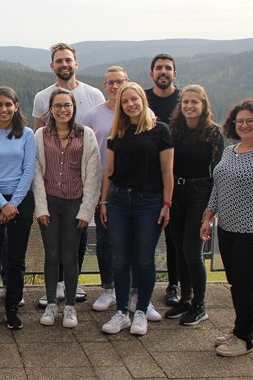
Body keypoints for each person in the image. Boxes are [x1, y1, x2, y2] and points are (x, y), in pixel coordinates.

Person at [201, 99, 253, 357]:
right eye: (240, 121)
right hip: (227, 228)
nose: (244, 125)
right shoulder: (230, 151)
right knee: (235, 283)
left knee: (244, 286)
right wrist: (208, 217)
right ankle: (237, 331)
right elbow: (218, 186)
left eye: (250, 121)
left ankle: (244, 340)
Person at [82, 67, 161, 321]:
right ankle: (110, 290)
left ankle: (139, 297)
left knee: (141, 250)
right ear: (105, 85)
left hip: (144, 195)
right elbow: (92, 157)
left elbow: (163, 165)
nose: (116, 87)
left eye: (120, 82)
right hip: (108, 190)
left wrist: (166, 201)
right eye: (111, 83)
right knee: (108, 245)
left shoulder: (150, 118)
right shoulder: (95, 116)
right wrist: (97, 194)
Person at [32, 43, 105, 307]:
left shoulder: (94, 94)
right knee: (53, 252)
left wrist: (91, 199)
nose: (64, 64)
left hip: (80, 184)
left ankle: (72, 291)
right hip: (52, 192)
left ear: (76, 63)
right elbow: (38, 147)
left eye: (68, 60)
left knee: (76, 246)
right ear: (52, 66)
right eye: (59, 61)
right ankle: (56, 289)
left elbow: (96, 138)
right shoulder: (42, 98)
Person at [99, 82, 174, 337]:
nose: (131, 104)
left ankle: (140, 310)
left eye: (134, 99)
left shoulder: (160, 130)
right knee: (120, 259)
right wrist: (104, 201)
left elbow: (167, 172)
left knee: (144, 258)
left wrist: (167, 204)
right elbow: (109, 172)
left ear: (143, 100)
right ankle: (121, 312)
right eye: (125, 101)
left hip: (149, 202)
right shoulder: (116, 132)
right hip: (119, 201)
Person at [164, 85, 224, 326]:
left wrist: (211, 211)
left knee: (192, 251)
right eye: (185, 102)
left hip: (201, 192)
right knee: (178, 248)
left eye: (194, 102)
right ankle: (186, 298)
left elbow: (218, 172)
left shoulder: (212, 133)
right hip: (176, 192)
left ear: (203, 105)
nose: (189, 106)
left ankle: (200, 305)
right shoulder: (174, 130)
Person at [0, 87, 35, 329]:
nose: (3, 109)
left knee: (16, 259)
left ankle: (11, 307)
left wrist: (13, 204)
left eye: (8, 104)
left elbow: (28, 171)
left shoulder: (28, 134)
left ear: (16, 106)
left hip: (20, 200)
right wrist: (3, 203)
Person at [145, 53, 182, 306]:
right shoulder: (142, 99)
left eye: (168, 68)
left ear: (174, 74)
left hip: (176, 177)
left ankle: (175, 284)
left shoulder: (184, 101)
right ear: (151, 74)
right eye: (159, 68)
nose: (163, 72)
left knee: (175, 238)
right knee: (143, 237)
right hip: (146, 178)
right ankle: (138, 285)